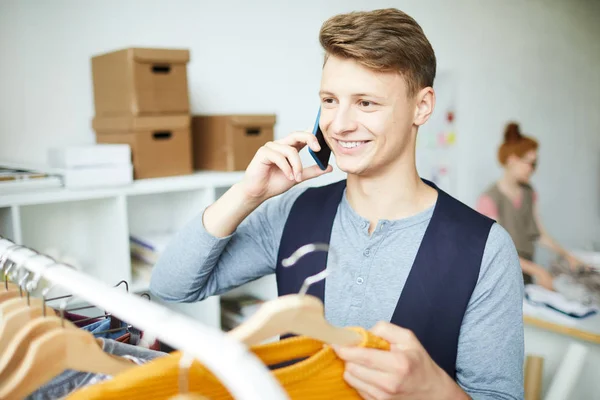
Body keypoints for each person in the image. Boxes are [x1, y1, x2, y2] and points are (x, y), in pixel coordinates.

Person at [151, 8, 524, 400]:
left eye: (365, 103)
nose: (339, 124)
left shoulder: (486, 250)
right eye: (330, 100)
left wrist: (434, 391)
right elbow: (170, 287)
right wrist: (248, 194)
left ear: (422, 106)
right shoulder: (291, 213)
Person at [476, 122, 588, 291]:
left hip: (525, 275)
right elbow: (497, 251)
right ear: (512, 159)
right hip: (499, 279)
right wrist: (539, 271)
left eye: (535, 164)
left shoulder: (529, 193)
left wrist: (567, 256)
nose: (533, 170)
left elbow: (539, 234)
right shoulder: (489, 199)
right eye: (530, 163)